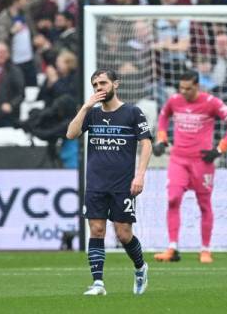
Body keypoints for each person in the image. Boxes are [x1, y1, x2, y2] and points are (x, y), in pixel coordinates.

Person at [66, 69, 152, 295]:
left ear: (116, 84)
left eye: (103, 83)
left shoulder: (133, 113)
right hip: (95, 183)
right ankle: (98, 283)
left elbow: (146, 144)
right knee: (96, 230)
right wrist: (85, 107)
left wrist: (140, 175)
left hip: (122, 184)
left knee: (123, 233)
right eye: (95, 85)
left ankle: (140, 267)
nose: (99, 88)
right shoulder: (91, 114)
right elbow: (71, 134)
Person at [152, 70, 227, 264]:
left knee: (204, 205)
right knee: (173, 199)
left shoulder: (211, 102)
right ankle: (172, 248)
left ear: (197, 86)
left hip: (202, 161)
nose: (184, 92)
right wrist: (161, 138)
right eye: (181, 88)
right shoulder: (174, 101)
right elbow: (163, 116)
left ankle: (205, 249)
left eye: (188, 88)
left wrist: (220, 148)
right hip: (178, 159)